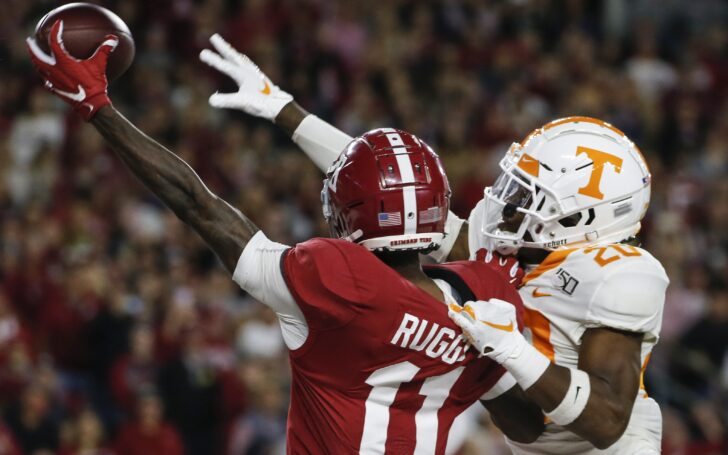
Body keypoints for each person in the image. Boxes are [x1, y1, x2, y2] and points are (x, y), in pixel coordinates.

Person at [26, 21, 543, 453]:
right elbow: (528, 426)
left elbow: (198, 206)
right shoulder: (486, 296)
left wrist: (97, 107)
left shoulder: (337, 277)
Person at [199, 35, 669, 453]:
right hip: (529, 440)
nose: (506, 203)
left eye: (528, 196)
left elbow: (606, 423)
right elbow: (394, 198)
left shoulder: (621, 275)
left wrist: (510, 350)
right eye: (515, 185)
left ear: (582, 217)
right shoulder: (513, 238)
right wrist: (286, 112)